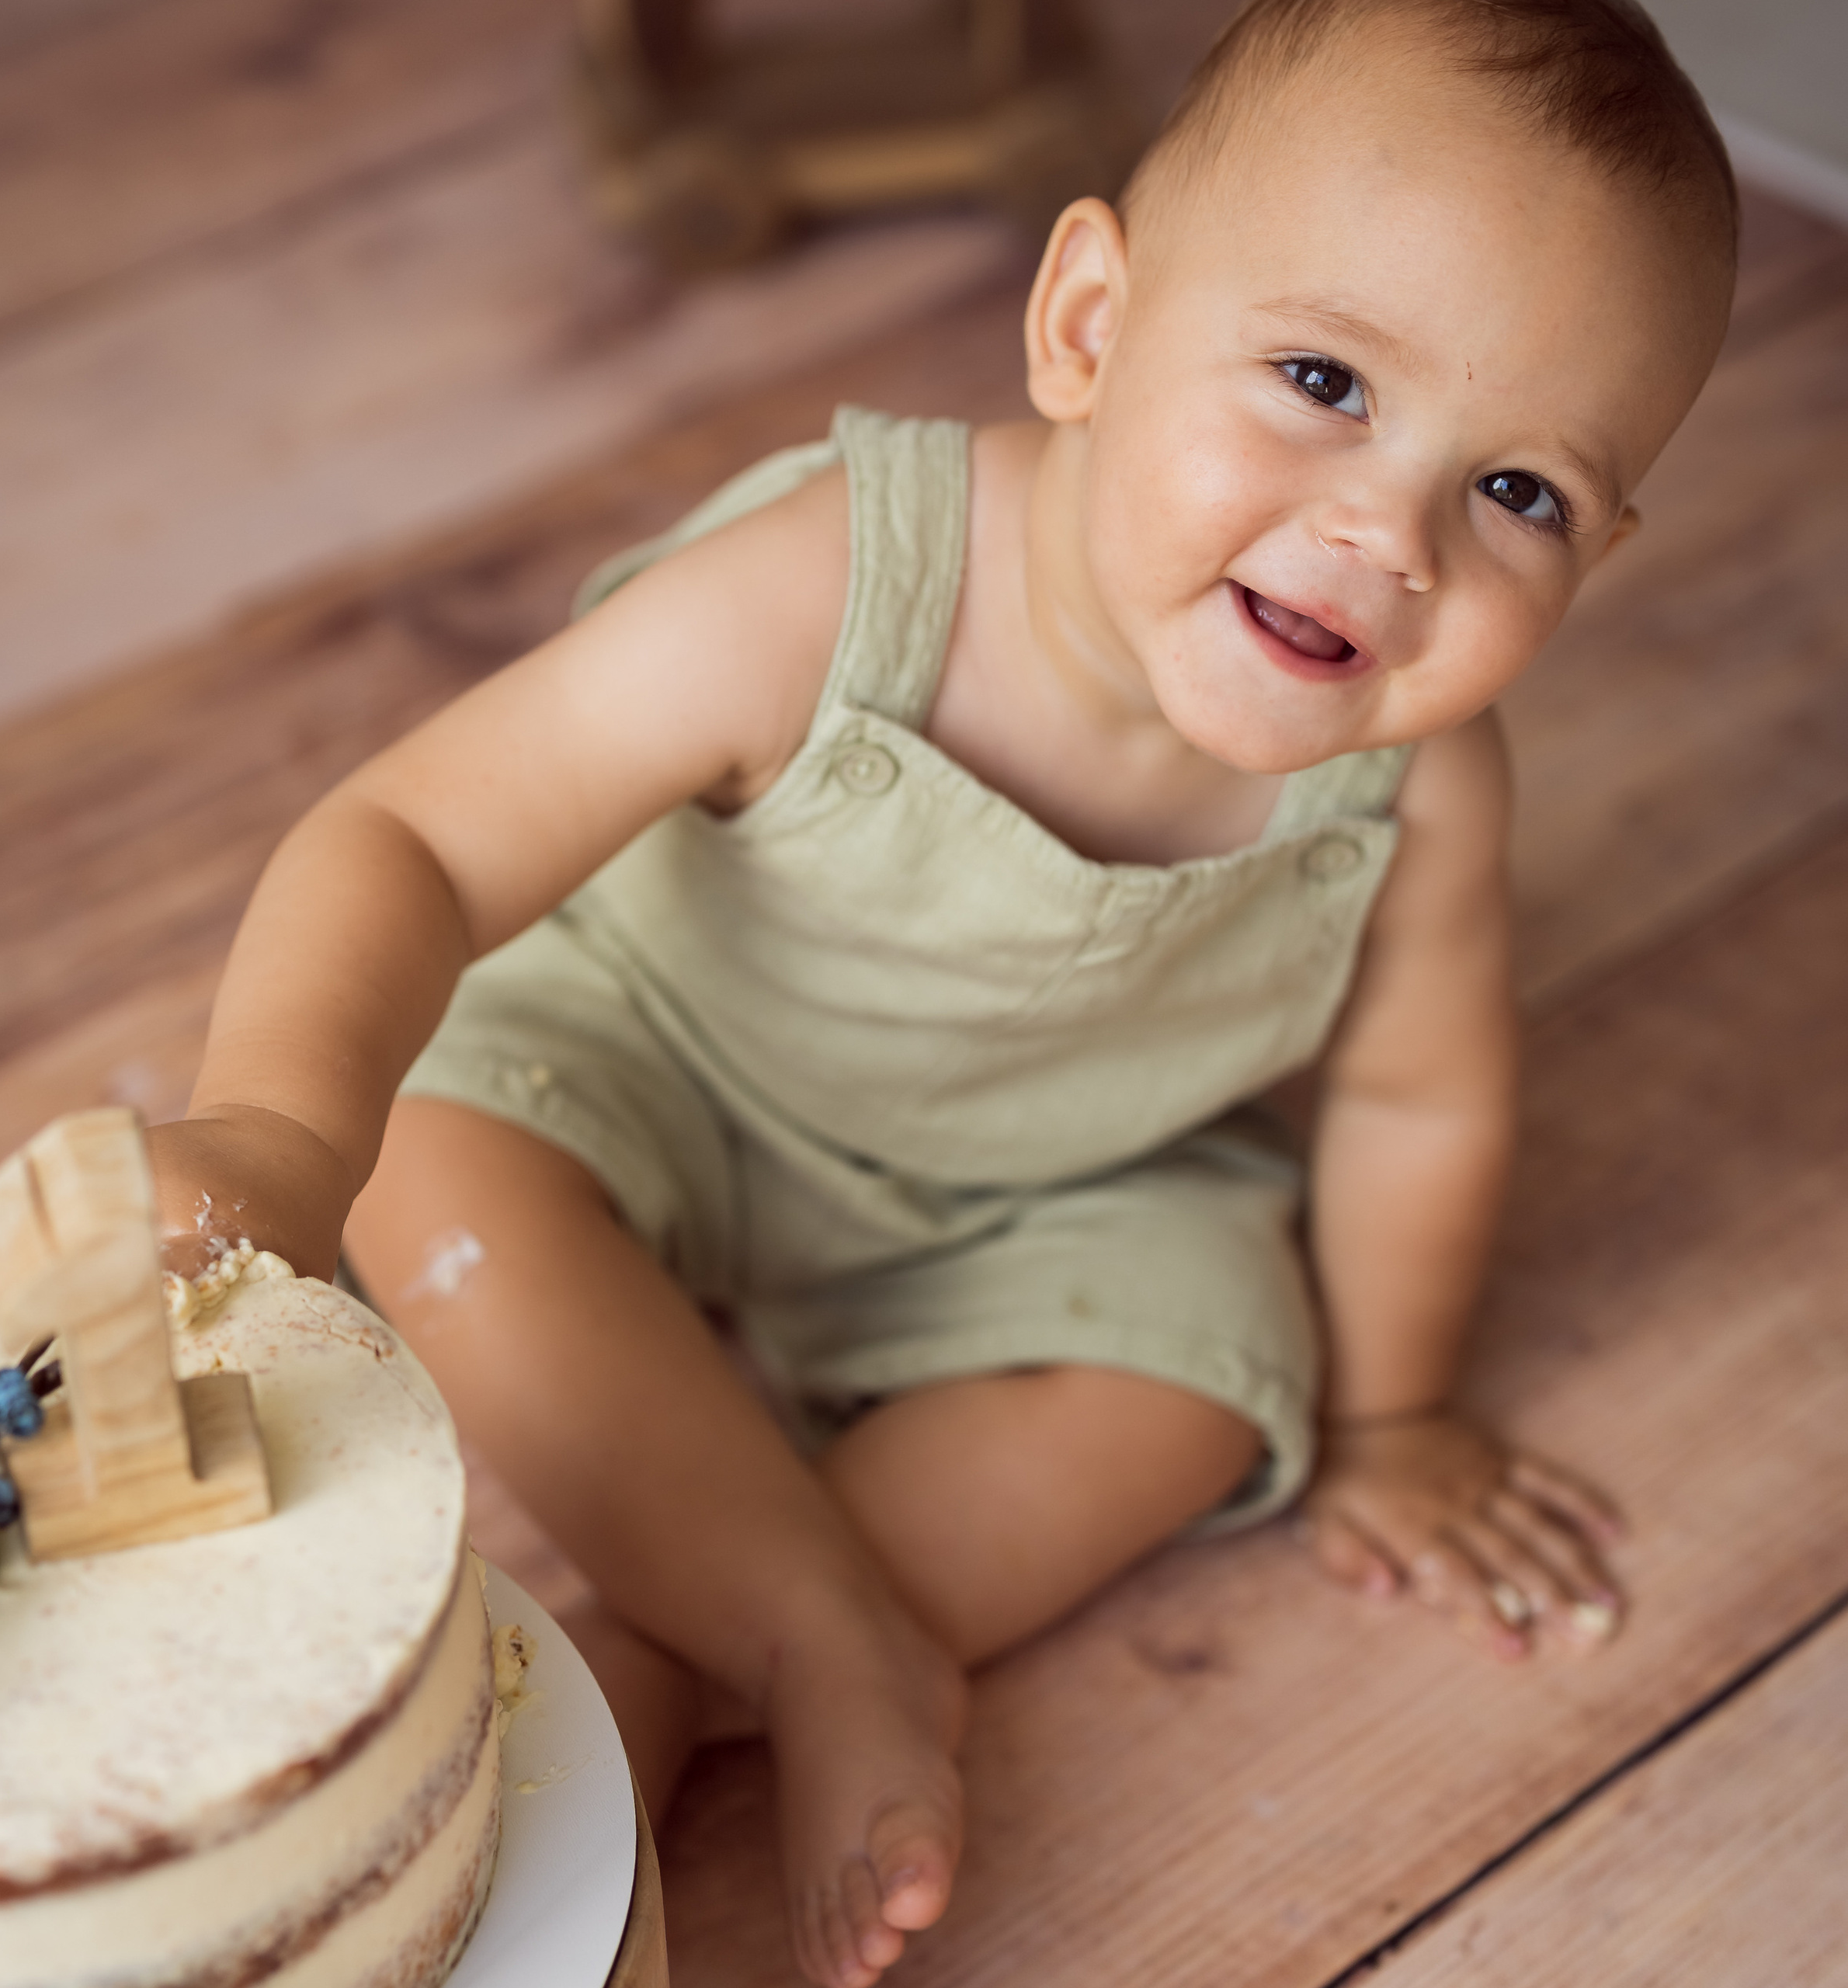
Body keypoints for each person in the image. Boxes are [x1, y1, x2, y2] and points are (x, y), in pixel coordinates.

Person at [148, 2, 1739, 1979]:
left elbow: (1418, 1095)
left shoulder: (1416, 791)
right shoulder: (838, 584)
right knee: (443, 1180)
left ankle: (689, 1643)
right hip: (639, 1066)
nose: (1384, 533)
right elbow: (424, 842)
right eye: (1322, 378)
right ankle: (820, 1627)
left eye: (1519, 495)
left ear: (1603, 548)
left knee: (1210, 1356)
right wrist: (281, 1135)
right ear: (1084, 322)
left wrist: (1396, 1409)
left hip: (1035, 1182)